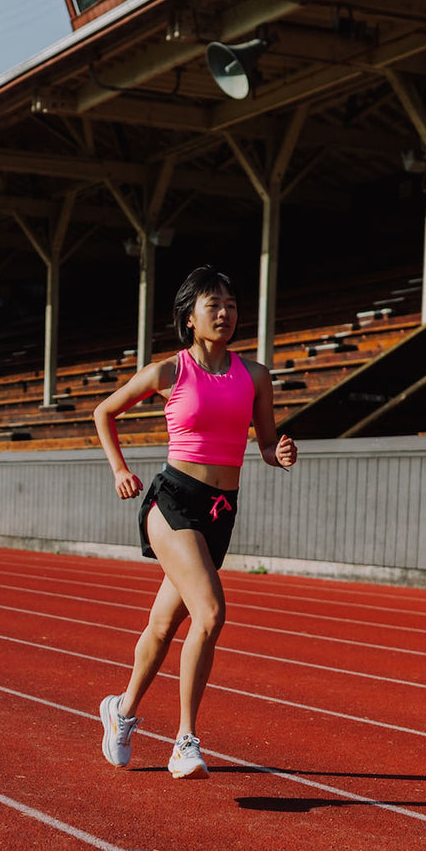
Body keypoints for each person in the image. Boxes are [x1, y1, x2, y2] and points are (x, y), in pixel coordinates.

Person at [93, 265, 297, 779]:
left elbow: (264, 442)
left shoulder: (255, 376)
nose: (225, 313)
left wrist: (278, 452)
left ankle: (122, 710)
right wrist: (119, 469)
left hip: (220, 511)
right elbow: (104, 412)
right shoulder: (169, 372)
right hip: (173, 502)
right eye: (214, 305)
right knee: (209, 613)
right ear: (190, 317)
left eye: (231, 304)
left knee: (164, 626)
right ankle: (185, 740)